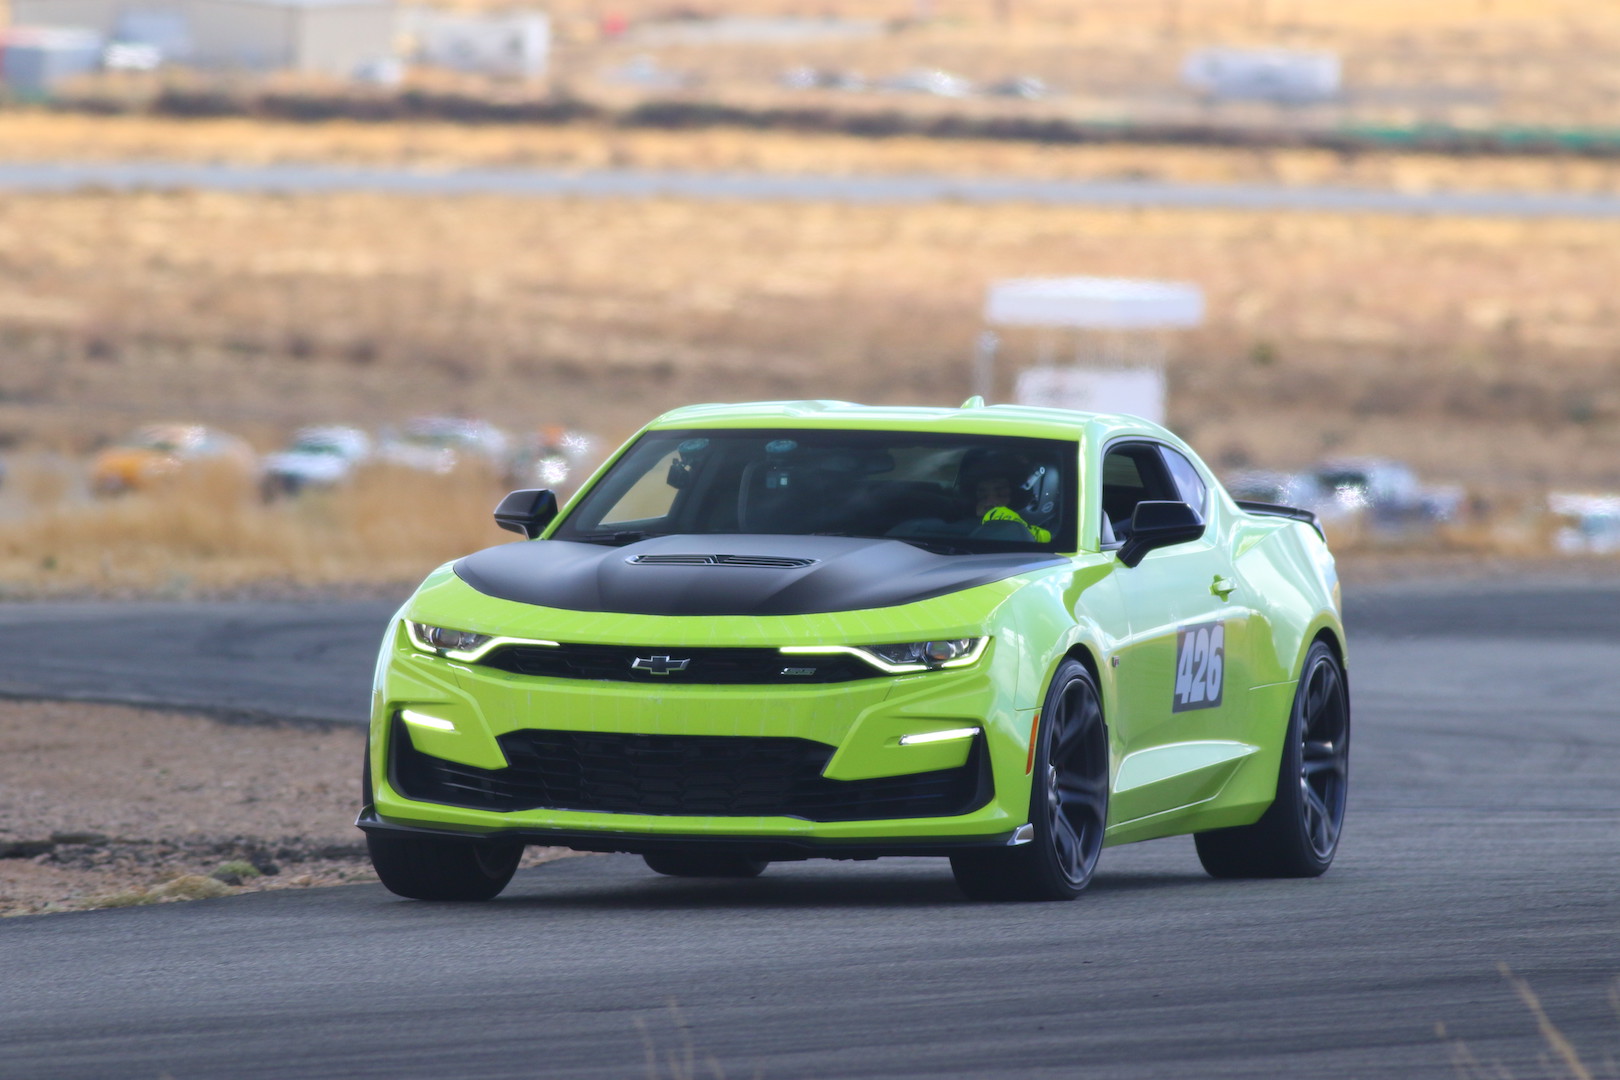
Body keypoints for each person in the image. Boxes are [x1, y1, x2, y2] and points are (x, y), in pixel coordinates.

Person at [960, 453, 1052, 543]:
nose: (990, 501)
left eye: (1000, 494)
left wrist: (1009, 522)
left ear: (1019, 496)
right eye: (983, 496)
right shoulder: (959, 522)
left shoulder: (1053, 537)